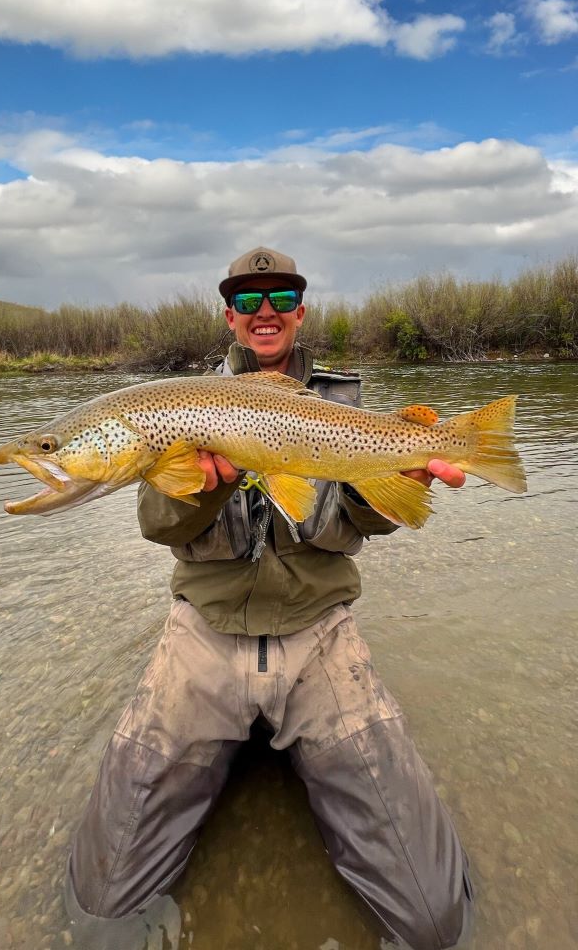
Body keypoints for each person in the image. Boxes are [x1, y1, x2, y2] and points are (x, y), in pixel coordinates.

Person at [66, 247, 473, 950]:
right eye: (248, 301)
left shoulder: (342, 406)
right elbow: (158, 527)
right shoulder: (173, 407)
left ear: (300, 312)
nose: (265, 313)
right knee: (102, 901)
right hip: (205, 631)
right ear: (228, 316)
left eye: (280, 299)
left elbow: (363, 521)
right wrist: (214, 484)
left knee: (434, 917)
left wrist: (403, 484)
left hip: (319, 633)